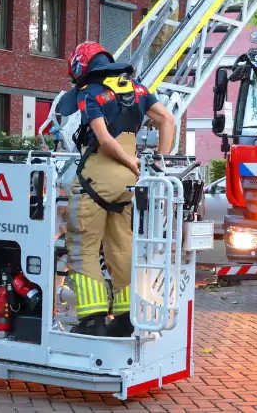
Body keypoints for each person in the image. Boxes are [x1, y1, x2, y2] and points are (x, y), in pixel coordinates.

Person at [56, 41, 174, 337]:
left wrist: (129, 161)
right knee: (122, 247)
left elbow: (105, 141)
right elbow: (167, 120)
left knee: (82, 247)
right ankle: (126, 317)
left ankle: (92, 320)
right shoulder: (138, 89)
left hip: (97, 179)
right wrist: (158, 162)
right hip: (130, 184)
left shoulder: (90, 92)